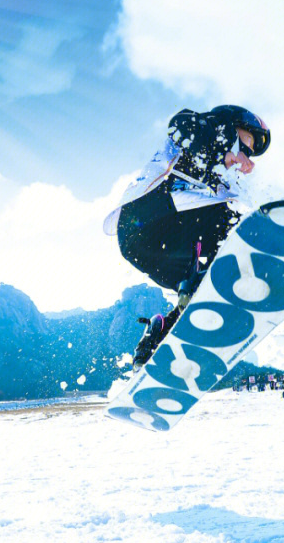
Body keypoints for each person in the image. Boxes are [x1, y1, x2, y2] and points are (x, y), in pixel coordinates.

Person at [104, 105, 270, 367]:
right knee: (232, 218)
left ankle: (156, 340)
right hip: (148, 222)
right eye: (245, 148)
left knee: (200, 294)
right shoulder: (198, 131)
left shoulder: (216, 178)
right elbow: (179, 124)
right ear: (229, 128)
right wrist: (222, 148)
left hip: (156, 250)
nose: (245, 160)